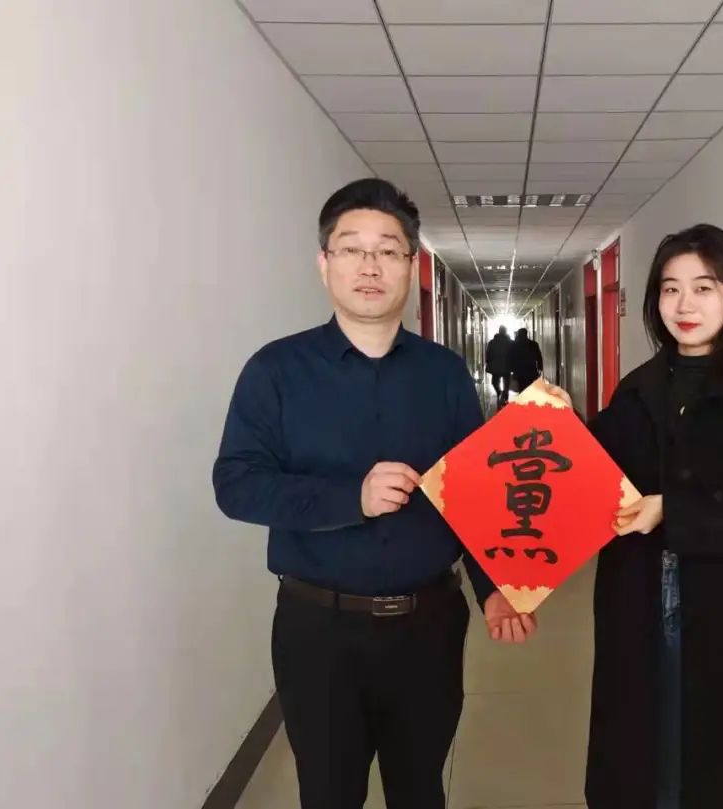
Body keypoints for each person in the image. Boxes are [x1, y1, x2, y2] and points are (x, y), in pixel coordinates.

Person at [212, 178, 537, 809]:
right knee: (328, 793)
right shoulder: (276, 371)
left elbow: (475, 494)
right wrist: (350, 499)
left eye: (388, 250)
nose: (370, 266)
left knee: (420, 789)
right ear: (324, 263)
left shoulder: (444, 375)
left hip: (429, 627)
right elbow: (236, 484)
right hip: (318, 630)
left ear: (411, 266)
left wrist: (495, 588)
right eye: (352, 249)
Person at [550, 224, 723, 808]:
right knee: (648, 756)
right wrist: (563, 426)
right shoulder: (639, 390)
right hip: (641, 611)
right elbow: (596, 477)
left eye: (704, 288)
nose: (684, 305)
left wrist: (674, 511)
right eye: (670, 289)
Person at [485, 325, 513, 407]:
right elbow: (514, 354)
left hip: (496, 366)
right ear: (505, 332)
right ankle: (504, 395)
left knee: (494, 382)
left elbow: (488, 353)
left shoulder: (492, 342)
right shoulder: (510, 342)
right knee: (506, 383)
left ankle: (499, 392)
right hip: (507, 366)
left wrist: (488, 361)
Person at [509, 326, 543, 392]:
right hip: (530, 369)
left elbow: (511, 357)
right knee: (530, 386)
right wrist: (540, 367)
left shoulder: (515, 345)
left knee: (521, 387)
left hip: (519, 370)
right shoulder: (533, 344)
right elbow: (539, 356)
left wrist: (511, 368)